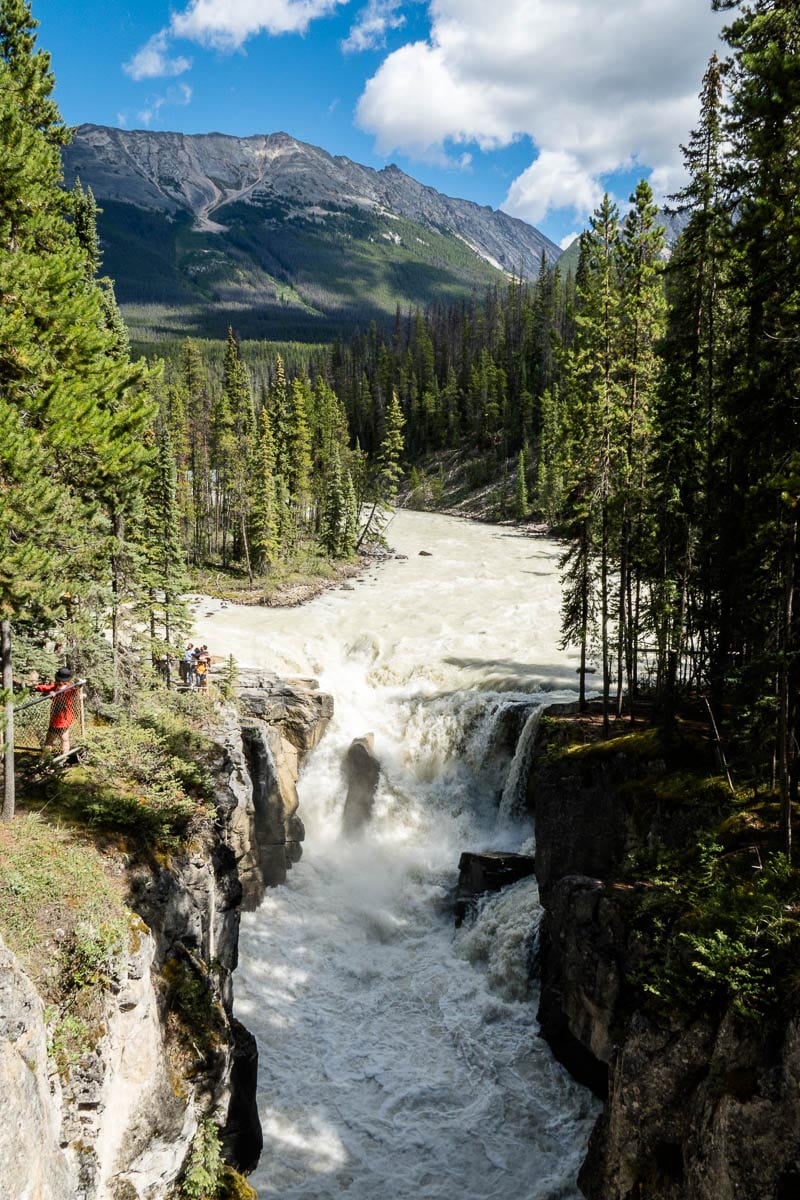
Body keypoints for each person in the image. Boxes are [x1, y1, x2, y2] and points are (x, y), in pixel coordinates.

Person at [34, 666, 78, 756]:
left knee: (53, 739)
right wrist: (37, 687)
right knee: (62, 739)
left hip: (62, 718)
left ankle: (52, 759)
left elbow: (66, 697)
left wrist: (54, 695)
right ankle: (60, 758)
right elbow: (47, 688)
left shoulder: (71, 688)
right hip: (58, 717)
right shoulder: (57, 687)